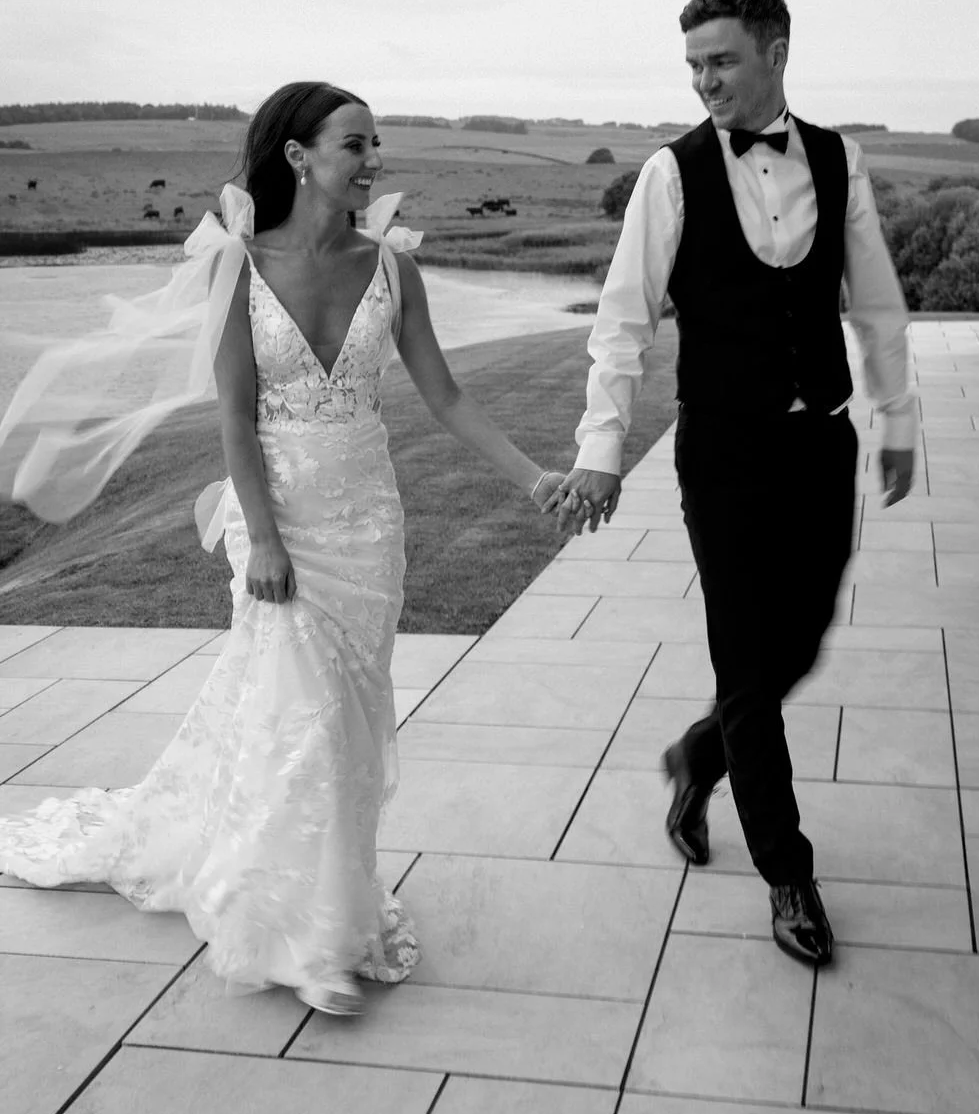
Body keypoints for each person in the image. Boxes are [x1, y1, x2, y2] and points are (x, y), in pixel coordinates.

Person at [0, 81, 566, 1015]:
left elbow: (449, 398)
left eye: (375, 144)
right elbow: (232, 415)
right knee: (298, 721)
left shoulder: (394, 270)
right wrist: (260, 537)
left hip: (369, 526)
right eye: (355, 144)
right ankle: (310, 938)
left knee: (342, 723)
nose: (372, 160)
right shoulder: (239, 264)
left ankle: (322, 902)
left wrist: (535, 478)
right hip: (281, 520)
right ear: (300, 158)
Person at [556, 0, 915, 966]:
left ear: (775, 52)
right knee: (749, 669)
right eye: (693, 67)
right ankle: (787, 876)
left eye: (720, 61)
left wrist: (896, 420)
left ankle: (697, 753)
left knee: (801, 641)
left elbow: (876, 304)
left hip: (822, 443)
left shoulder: (841, 161)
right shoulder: (669, 178)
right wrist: (601, 452)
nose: (704, 82)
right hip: (719, 449)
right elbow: (621, 325)